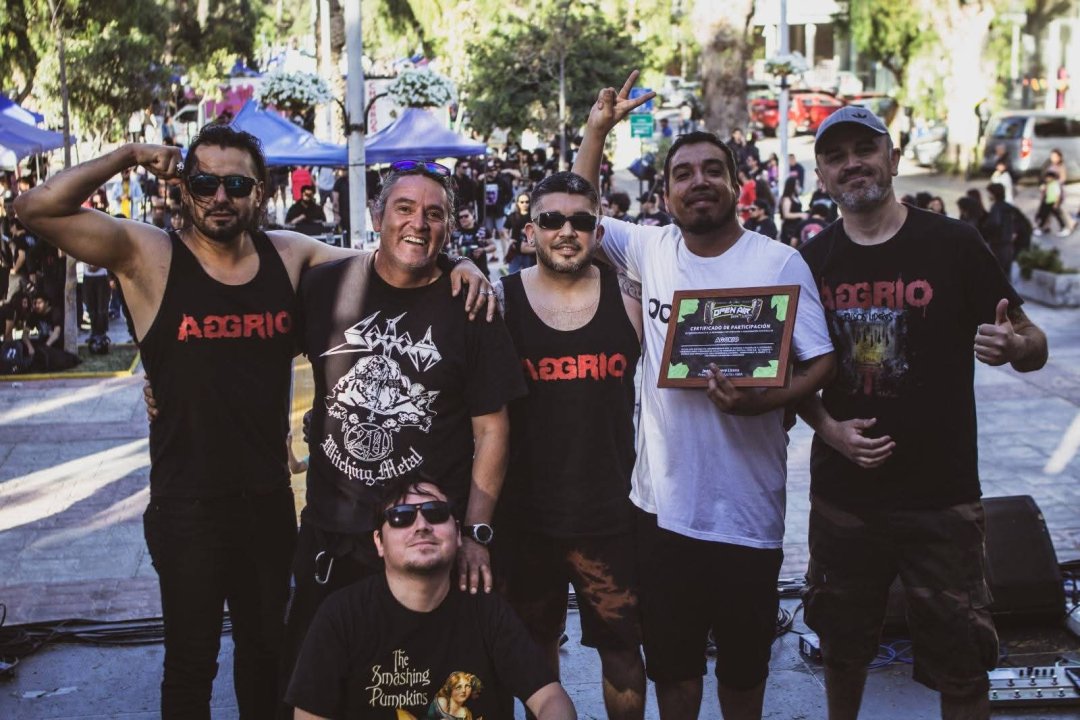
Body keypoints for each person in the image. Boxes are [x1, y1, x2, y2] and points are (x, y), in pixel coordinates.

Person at [15, 128, 492, 720]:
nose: (220, 196)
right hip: (187, 505)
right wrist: (130, 154)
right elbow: (35, 208)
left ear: (259, 192)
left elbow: (395, 257)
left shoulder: (288, 256)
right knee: (191, 665)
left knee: (267, 660)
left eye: (237, 184)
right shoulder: (148, 255)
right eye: (204, 182)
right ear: (183, 188)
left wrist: (461, 262)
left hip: (267, 503)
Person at [574, 72, 835, 720]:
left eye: (713, 170)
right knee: (676, 674)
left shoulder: (779, 263)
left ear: (737, 183)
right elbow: (575, 215)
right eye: (683, 173)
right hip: (661, 512)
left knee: (744, 677)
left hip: (748, 514)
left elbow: (822, 361)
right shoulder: (650, 248)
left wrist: (764, 402)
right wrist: (596, 131)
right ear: (665, 193)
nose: (699, 182)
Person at [798, 105, 1048, 720]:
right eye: (836, 156)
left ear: (893, 158)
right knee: (842, 650)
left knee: (963, 659)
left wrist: (1014, 346)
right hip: (844, 499)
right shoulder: (808, 260)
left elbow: (1033, 342)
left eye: (865, 149)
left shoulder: (954, 244)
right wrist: (829, 430)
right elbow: (791, 374)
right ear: (822, 176)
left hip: (942, 497)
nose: (852, 164)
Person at [281, 159, 524, 719]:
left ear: (450, 227)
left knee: (439, 698)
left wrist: (475, 532)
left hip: (426, 537)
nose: (419, 223)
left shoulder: (471, 305)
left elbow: (493, 430)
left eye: (434, 214)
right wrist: (165, 385)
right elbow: (258, 350)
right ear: (377, 215)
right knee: (319, 693)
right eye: (405, 208)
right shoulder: (324, 286)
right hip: (333, 539)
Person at [493, 172, 647, 719]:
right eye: (552, 219)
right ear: (530, 230)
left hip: (609, 515)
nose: (566, 230)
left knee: (623, 648)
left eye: (581, 220)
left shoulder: (629, 298)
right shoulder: (500, 301)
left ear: (598, 232)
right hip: (525, 517)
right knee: (534, 649)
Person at [285, 478, 577, 720]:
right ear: (379, 542)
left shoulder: (487, 611)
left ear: (458, 534)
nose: (421, 525)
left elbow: (550, 698)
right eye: (401, 517)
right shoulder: (341, 615)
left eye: (435, 513)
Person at [450, 206, 495, 279]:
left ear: (472, 215)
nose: (463, 219)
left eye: (466, 216)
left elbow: (493, 246)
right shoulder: (455, 233)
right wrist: (455, 255)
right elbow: (448, 251)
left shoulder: (482, 231)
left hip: (481, 272)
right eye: (460, 217)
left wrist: (483, 250)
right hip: (462, 274)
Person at [983, 182, 1016, 277]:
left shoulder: (996, 207)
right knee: (1006, 274)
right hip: (1008, 244)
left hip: (998, 245)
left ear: (994, 194)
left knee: (997, 274)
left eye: (989, 193)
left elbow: (994, 224)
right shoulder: (1008, 206)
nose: (988, 195)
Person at [503, 192, 535, 273]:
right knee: (512, 276)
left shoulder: (534, 216)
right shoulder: (512, 216)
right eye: (522, 202)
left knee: (529, 276)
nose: (524, 204)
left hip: (530, 251)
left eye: (527, 202)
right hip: (515, 250)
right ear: (517, 203)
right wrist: (509, 239)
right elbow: (505, 230)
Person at [778, 176, 807, 245]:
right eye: (796, 184)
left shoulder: (795, 197)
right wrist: (800, 215)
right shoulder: (787, 199)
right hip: (789, 229)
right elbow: (786, 215)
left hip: (797, 226)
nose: (798, 186)